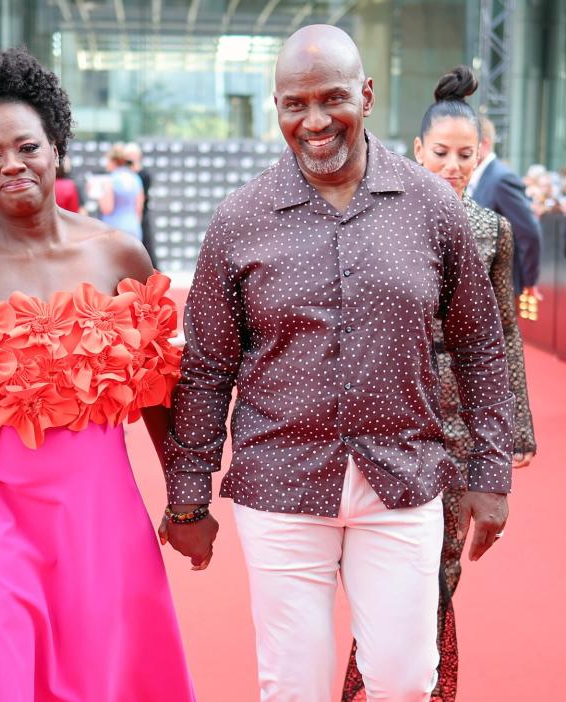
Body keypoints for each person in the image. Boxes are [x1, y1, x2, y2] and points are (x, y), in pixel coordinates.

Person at [163, 26, 514, 702]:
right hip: (282, 482)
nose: (315, 120)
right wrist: (187, 497)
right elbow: (206, 367)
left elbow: (479, 345)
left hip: (404, 476)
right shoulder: (240, 220)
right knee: (292, 687)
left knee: (406, 681)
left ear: (368, 95)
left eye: (333, 99)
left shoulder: (433, 207)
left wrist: (492, 470)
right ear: (277, 108)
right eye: (295, 104)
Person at [0, 47, 196, 701]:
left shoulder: (120, 255)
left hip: (101, 517)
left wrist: (187, 499)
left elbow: (158, 395)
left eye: (26, 146)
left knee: (103, 680)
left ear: (56, 144)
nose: (11, 166)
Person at [339, 64, 538, 702]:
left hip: (461, 421)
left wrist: (513, 434)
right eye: (443, 153)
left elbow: (503, 335)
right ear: (418, 150)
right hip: (396, 413)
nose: (454, 166)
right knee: (387, 573)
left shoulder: (492, 230)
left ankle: (417, 687)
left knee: (438, 570)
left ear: (482, 158)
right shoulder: (382, 217)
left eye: (467, 156)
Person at [469, 116, 543, 298]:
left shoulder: (501, 179)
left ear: (484, 145)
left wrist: (529, 281)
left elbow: (529, 232)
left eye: (466, 146)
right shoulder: (480, 177)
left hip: (500, 291)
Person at [98, 142, 144, 240]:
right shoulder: (136, 178)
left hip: (114, 230)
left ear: (113, 161)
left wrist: (98, 194)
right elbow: (139, 208)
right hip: (134, 229)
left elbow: (107, 208)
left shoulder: (109, 180)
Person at [123, 142, 158, 267]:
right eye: (128, 155)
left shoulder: (144, 174)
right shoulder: (122, 174)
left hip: (141, 213)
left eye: (132, 154)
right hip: (126, 214)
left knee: (146, 243)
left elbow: (142, 196)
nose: (130, 157)